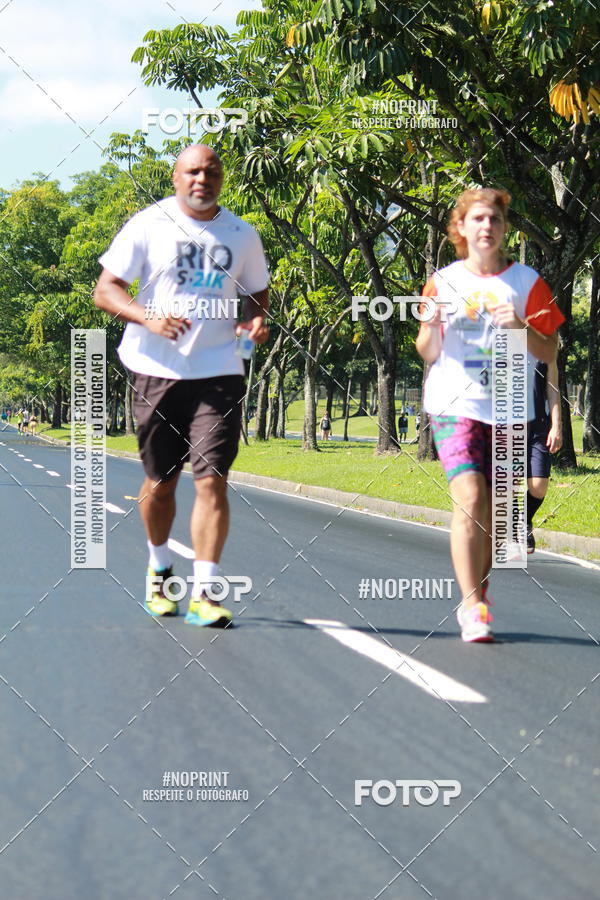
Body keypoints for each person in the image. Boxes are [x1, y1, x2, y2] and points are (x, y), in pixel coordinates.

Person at [94, 144, 270, 627]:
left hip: (218, 370)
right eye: (192, 171)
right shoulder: (148, 224)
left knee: (213, 480)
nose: (202, 179)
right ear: (176, 178)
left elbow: (257, 293)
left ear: (221, 179)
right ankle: (159, 569)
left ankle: (205, 593)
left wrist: (254, 322)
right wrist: (146, 316)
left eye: (211, 172)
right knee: (161, 483)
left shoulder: (241, 234)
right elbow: (106, 289)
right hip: (155, 370)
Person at [416, 187, 564, 642]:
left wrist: (521, 327)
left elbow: (550, 347)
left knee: (495, 515)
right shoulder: (442, 282)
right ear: (461, 228)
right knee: (470, 497)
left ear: (503, 229)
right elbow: (425, 349)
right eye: (477, 219)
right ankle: (470, 605)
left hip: (508, 409)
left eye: (495, 220)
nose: (487, 226)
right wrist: (433, 326)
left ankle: (480, 592)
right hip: (452, 405)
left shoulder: (527, 283)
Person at [526, 359, 561, 553]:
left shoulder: (545, 345)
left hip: (538, 427)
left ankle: (523, 520)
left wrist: (556, 426)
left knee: (538, 487)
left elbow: (553, 390)